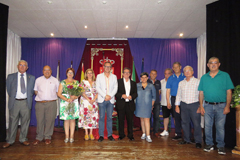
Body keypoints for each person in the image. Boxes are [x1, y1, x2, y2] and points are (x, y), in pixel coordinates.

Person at [199, 57, 234, 155]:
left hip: (221, 106)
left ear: (219, 64)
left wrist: (227, 106)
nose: (213, 64)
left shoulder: (225, 76)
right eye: (211, 63)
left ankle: (220, 146)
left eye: (215, 63)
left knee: (220, 127)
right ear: (208, 65)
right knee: (207, 126)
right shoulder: (204, 77)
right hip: (207, 106)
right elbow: (201, 93)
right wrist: (201, 106)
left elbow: (229, 92)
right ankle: (209, 144)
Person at [3, 60, 35, 148]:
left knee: (25, 121)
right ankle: (10, 140)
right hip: (15, 102)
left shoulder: (31, 78)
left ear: (27, 68)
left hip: (25, 102)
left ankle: (23, 139)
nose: (22, 66)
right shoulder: (10, 77)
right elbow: (9, 90)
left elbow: (32, 91)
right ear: (17, 66)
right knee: (13, 122)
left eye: (24, 65)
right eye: (20, 65)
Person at [175, 66, 202, 148]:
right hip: (183, 105)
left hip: (194, 104)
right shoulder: (181, 83)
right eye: (185, 71)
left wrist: (201, 106)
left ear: (192, 72)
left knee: (196, 124)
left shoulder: (198, 81)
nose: (187, 72)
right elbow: (178, 95)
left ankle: (198, 141)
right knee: (185, 123)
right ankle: (187, 139)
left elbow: (201, 94)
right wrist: (177, 105)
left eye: (189, 70)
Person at [33, 65, 59, 145]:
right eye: (45, 70)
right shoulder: (38, 80)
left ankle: (47, 137)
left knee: (50, 121)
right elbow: (35, 91)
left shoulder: (55, 81)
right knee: (40, 121)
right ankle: (39, 137)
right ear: (42, 71)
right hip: (40, 104)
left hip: (51, 104)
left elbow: (58, 92)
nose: (47, 71)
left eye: (48, 70)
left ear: (51, 71)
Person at [96, 62, 118, 142]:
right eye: (106, 66)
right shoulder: (99, 76)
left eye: (109, 67)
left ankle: (109, 135)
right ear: (103, 67)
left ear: (111, 68)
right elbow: (97, 87)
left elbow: (115, 88)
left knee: (109, 118)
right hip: (102, 99)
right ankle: (101, 135)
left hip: (111, 100)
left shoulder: (114, 77)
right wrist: (105, 96)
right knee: (101, 117)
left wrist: (110, 96)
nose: (107, 68)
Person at [115, 67, 138, 141]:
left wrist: (132, 97)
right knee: (121, 120)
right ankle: (121, 135)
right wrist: (121, 95)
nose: (126, 74)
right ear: (122, 74)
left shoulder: (133, 83)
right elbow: (115, 93)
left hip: (130, 104)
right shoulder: (118, 82)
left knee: (130, 120)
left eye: (128, 72)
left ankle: (130, 135)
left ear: (130, 74)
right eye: (125, 72)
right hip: (121, 104)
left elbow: (136, 94)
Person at [166, 62, 185, 140]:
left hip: (184, 99)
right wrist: (168, 102)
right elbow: (168, 91)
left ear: (180, 67)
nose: (176, 68)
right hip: (174, 99)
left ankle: (188, 135)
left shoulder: (185, 76)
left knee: (185, 117)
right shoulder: (170, 78)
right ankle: (178, 134)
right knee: (176, 117)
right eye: (174, 67)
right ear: (172, 68)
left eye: (177, 67)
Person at [135, 72, 156, 143]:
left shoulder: (151, 86)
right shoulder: (137, 85)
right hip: (139, 105)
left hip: (147, 105)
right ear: (140, 78)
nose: (144, 79)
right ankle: (143, 133)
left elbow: (154, 97)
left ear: (147, 78)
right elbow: (134, 95)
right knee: (142, 119)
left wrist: (151, 105)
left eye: (145, 77)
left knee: (147, 119)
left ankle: (148, 135)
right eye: (142, 77)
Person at [79, 69, 99, 140]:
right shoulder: (83, 82)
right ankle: (86, 133)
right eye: (88, 73)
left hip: (93, 102)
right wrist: (88, 99)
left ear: (93, 74)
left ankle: (91, 133)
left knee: (92, 116)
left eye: (91, 73)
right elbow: (81, 92)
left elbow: (97, 92)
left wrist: (93, 100)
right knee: (86, 116)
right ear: (86, 74)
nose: (89, 74)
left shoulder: (96, 82)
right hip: (85, 101)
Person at [147, 69, 161, 137]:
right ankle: (148, 131)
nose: (153, 75)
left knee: (156, 117)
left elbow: (159, 92)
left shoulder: (158, 82)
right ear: (150, 74)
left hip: (157, 102)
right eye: (152, 73)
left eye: (155, 74)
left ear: (156, 75)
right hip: (148, 103)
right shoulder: (146, 81)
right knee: (148, 117)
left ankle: (155, 131)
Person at [160, 68, 173, 136]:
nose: (167, 75)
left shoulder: (174, 81)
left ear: (171, 74)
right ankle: (165, 130)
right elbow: (159, 92)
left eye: (168, 73)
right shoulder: (161, 82)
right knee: (165, 117)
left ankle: (177, 132)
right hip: (164, 103)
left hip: (173, 103)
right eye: (165, 73)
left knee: (175, 117)